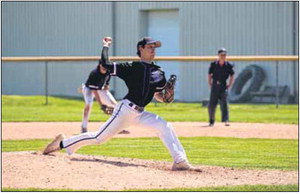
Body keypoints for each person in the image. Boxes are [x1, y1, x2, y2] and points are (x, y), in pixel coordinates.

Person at [43, 37, 200, 171]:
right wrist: (106, 46)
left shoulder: (158, 72)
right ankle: (62, 143)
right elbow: (105, 64)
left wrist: (167, 97)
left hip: (140, 114)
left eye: (155, 47)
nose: (153, 50)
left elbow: (158, 95)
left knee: (165, 126)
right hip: (125, 110)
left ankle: (180, 161)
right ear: (141, 49)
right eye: (150, 47)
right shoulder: (131, 67)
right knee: (98, 137)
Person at [80, 62, 130, 134]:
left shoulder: (108, 71)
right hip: (89, 89)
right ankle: (84, 127)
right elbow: (95, 91)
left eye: (106, 66)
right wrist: (102, 104)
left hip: (101, 88)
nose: (105, 67)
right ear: (100, 65)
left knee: (115, 105)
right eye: (103, 65)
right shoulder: (94, 74)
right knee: (88, 105)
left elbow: (107, 81)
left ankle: (119, 128)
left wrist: (106, 85)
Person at [208, 48, 234, 127]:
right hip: (215, 85)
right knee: (212, 105)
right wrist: (210, 83)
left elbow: (232, 75)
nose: (223, 56)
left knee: (224, 104)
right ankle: (211, 121)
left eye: (224, 55)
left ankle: (226, 120)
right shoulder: (214, 64)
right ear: (218, 55)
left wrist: (229, 84)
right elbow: (210, 75)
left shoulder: (228, 65)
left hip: (223, 85)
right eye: (221, 55)